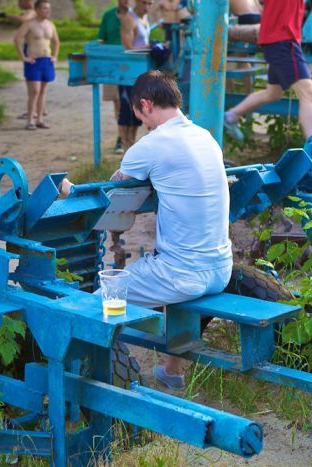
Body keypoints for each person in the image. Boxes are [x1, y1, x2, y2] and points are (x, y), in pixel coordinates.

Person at [60, 71, 233, 391]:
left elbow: (112, 192)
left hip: (182, 274)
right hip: (221, 269)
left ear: (145, 104)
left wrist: (70, 191)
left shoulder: (150, 146)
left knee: (95, 305)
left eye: (141, 117)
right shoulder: (206, 137)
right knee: (171, 279)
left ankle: (82, 383)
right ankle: (173, 372)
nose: (144, 124)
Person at [223, 0, 312, 164]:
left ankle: (231, 116)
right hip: (283, 39)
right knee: (308, 94)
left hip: (277, 39)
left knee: (273, 93)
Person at [15, 0, 59, 130]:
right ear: (38, 10)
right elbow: (17, 39)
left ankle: (40, 119)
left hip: (47, 60)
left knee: (43, 91)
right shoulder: (29, 24)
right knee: (34, 91)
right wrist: (24, 57)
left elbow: (56, 42)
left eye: (49, 9)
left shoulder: (51, 25)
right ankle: (30, 120)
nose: (48, 11)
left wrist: (54, 56)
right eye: (45, 9)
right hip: (34, 61)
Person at [98, 0, 132, 154]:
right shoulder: (108, 15)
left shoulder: (134, 16)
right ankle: (121, 139)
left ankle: (126, 140)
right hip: (112, 65)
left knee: (128, 102)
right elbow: (101, 39)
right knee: (117, 102)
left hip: (130, 65)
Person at [118, 0, 152, 150]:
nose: (147, 7)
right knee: (127, 111)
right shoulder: (129, 19)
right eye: (145, 3)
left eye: (150, 3)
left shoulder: (144, 18)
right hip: (128, 71)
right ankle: (126, 147)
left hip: (141, 70)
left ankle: (130, 148)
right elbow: (128, 48)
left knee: (138, 111)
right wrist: (149, 48)